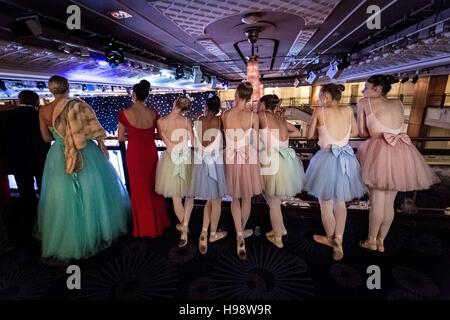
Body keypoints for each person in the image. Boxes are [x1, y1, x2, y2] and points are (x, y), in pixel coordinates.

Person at [37, 75, 130, 261]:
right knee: (92, 193)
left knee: (64, 198)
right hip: (84, 152)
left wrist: (62, 139)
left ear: (50, 90)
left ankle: (69, 238)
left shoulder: (43, 110)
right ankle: (97, 231)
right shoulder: (78, 104)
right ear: (67, 87)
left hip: (58, 155)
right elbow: (92, 130)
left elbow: (46, 138)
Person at [357, 75, 439, 252]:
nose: (363, 90)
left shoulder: (364, 103)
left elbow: (363, 133)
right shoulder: (399, 103)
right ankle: (381, 241)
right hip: (400, 152)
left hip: (378, 151)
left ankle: (370, 240)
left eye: (366, 87)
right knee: (389, 203)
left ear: (377, 89)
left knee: (377, 202)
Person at [304, 84, 367, 260]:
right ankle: (339, 238)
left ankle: (331, 239)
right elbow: (355, 131)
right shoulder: (347, 110)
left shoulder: (320, 111)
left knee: (325, 204)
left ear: (326, 96)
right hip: (346, 158)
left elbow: (309, 136)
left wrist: (319, 130)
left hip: (326, 158)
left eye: (320, 95)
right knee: (340, 203)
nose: (319, 98)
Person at [118, 80, 170, 238]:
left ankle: (144, 227)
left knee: (139, 190)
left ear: (134, 94)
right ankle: (158, 223)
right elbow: (159, 135)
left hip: (134, 154)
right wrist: (147, 136)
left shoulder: (125, 113)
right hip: (150, 152)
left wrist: (133, 136)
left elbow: (120, 137)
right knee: (153, 187)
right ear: (146, 95)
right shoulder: (153, 113)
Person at [0, 90, 49, 238]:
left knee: (25, 191)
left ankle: (29, 222)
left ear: (19, 100)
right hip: (40, 159)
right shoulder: (40, 115)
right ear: (36, 101)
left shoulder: (4, 116)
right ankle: (47, 218)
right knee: (44, 189)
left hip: (17, 161)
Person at [222, 82, 263, 259]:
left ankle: (239, 232)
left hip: (231, 156)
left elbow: (226, 136)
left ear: (238, 94)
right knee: (247, 197)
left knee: (235, 198)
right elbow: (257, 140)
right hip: (249, 157)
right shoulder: (253, 116)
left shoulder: (225, 114)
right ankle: (241, 232)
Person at [259, 94, 304, 248]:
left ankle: (277, 238)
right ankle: (281, 229)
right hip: (284, 160)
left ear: (264, 105)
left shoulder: (262, 115)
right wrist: (280, 141)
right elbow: (298, 133)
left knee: (273, 201)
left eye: (259, 104)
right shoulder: (281, 119)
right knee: (272, 198)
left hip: (271, 161)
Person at [188, 95, 228, 254]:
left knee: (209, 200)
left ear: (206, 106)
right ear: (218, 108)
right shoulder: (220, 121)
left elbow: (195, 143)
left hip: (201, 162)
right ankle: (212, 234)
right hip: (215, 163)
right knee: (216, 200)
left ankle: (204, 231)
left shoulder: (199, 119)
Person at [156, 96, 194, 247]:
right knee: (190, 195)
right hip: (186, 158)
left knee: (176, 198)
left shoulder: (161, 122)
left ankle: (184, 230)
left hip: (171, 160)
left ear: (174, 103)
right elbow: (193, 140)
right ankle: (185, 226)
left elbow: (164, 141)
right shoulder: (186, 121)